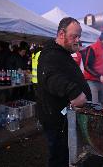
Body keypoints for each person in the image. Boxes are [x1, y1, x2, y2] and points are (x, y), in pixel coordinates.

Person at [37, 17, 91, 167]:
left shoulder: (63, 53)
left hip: (64, 118)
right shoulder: (49, 55)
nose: (78, 40)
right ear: (61, 34)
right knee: (58, 157)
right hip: (55, 120)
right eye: (74, 36)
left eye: (79, 36)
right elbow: (51, 78)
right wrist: (74, 92)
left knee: (66, 152)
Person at [83, 29, 103, 105]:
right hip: (92, 81)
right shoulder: (92, 48)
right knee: (95, 105)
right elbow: (87, 66)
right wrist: (99, 76)